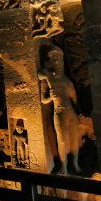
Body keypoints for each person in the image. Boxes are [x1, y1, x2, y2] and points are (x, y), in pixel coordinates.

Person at [39, 44, 82, 175]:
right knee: (62, 139)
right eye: (54, 60)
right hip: (59, 112)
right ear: (50, 62)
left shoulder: (67, 80)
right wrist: (50, 97)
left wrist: (80, 113)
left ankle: (75, 163)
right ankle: (64, 165)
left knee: (74, 138)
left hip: (70, 111)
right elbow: (43, 99)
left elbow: (74, 99)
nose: (57, 64)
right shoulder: (48, 78)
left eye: (59, 61)